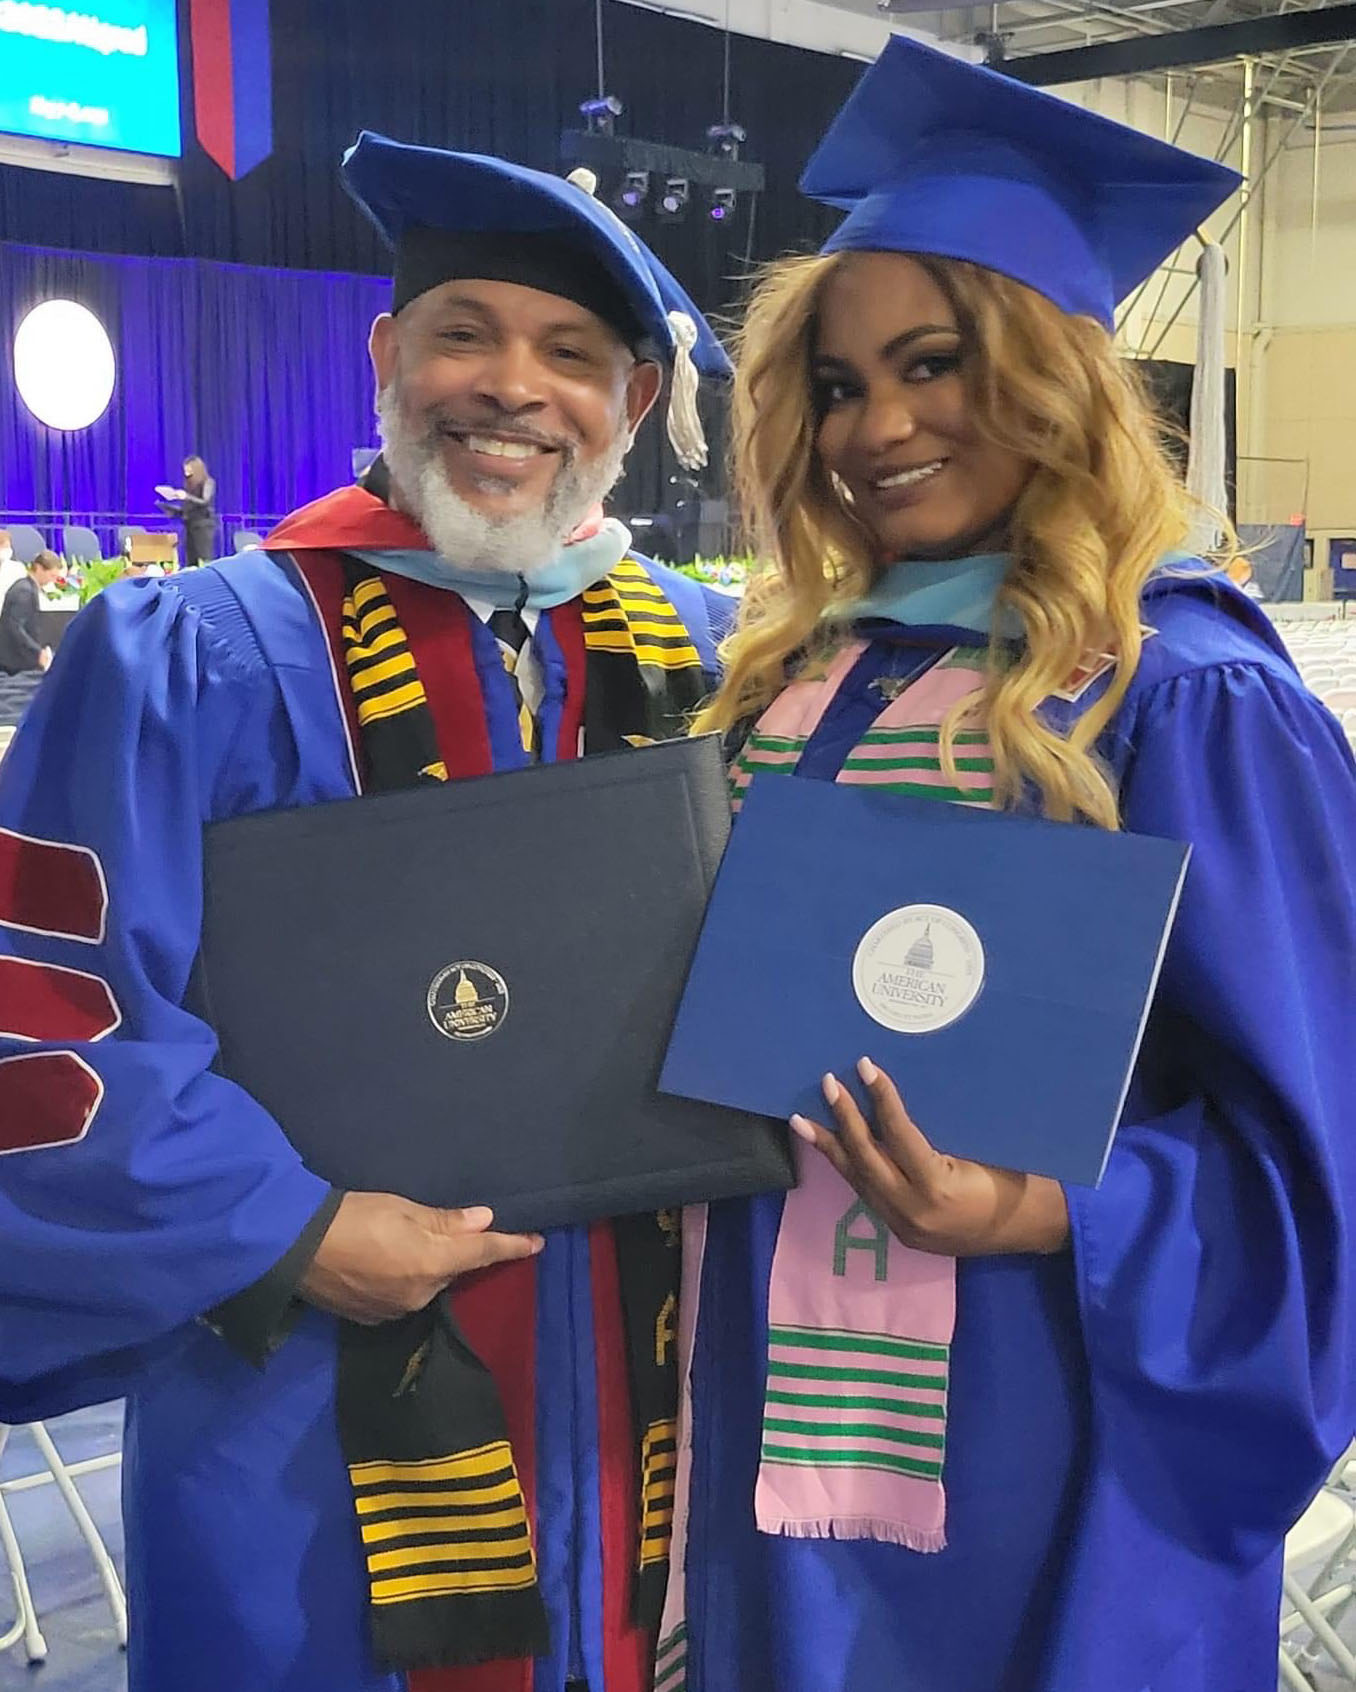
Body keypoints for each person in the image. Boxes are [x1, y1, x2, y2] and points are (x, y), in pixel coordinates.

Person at [0, 133, 732, 1692]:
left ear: (638, 409)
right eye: (464, 332)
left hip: (669, 1388)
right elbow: (52, 1016)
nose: (512, 389)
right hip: (304, 1419)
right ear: (388, 353)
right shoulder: (190, 656)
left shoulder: (720, 661)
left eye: (574, 355)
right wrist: (296, 1228)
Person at [668, 37, 1356, 1692]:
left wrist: (1047, 1204)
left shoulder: (1185, 694)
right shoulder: (804, 674)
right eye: (838, 384)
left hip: (1036, 1431)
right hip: (772, 1410)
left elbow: (1322, 1153)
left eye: (934, 365)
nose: (878, 426)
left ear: (1053, 376)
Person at [0, 548, 59, 675]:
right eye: (51, 576)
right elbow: (15, 627)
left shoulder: (25, 587)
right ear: (38, 568)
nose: (52, 580)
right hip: (13, 662)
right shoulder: (24, 591)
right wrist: (37, 652)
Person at [156, 453, 218, 564]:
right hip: (190, 525)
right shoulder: (189, 484)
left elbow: (205, 501)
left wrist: (186, 496)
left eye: (188, 469)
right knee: (191, 558)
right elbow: (190, 507)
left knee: (204, 557)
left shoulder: (208, 482)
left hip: (203, 526)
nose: (186, 472)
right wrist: (171, 509)